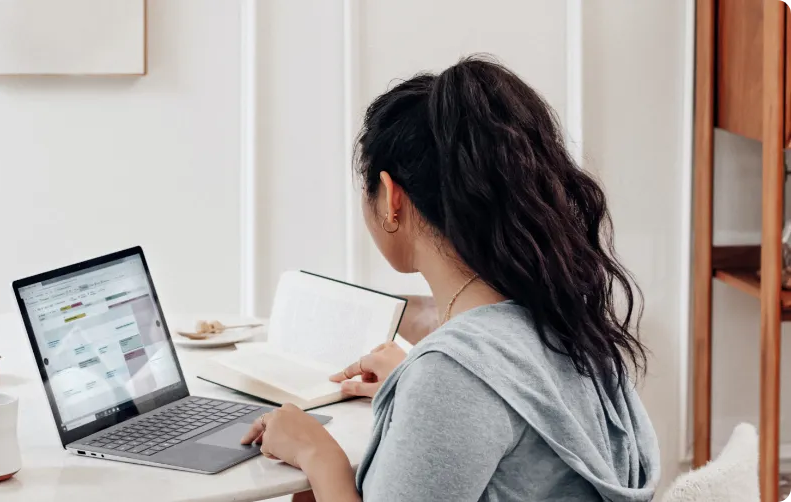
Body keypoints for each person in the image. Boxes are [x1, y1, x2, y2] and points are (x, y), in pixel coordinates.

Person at [240, 55, 660, 501]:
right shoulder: (563, 323)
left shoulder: (453, 376)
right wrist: (417, 391)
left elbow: (465, 395)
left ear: (391, 198)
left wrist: (315, 452)